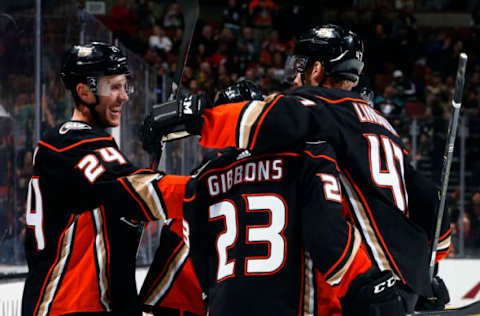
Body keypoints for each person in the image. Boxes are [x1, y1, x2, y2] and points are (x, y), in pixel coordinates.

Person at [169, 24, 451, 313]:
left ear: (317, 69)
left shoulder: (318, 106)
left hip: (371, 280)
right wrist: (429, 273)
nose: (294, 76)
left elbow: (265, 118)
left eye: (300, 66)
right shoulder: (383, 125)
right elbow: (430, 198)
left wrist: (196, 118)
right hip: (405, 281)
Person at [138, 140, 405, 316]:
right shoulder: (302, 164)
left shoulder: (204, 179)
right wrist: (372, 285)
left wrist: (153, 153)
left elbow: (185, 239)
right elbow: (333, 240)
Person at [21, 42, 188, 316]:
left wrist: (152, 156)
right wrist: (208, 187)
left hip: (90, 304)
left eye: (125, 86)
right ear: (84, 92)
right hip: (66, 303)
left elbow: (120, 208)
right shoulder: (68, 142)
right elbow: (134, 190)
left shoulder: (85, 147)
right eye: (114, 87)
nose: (124, 96)